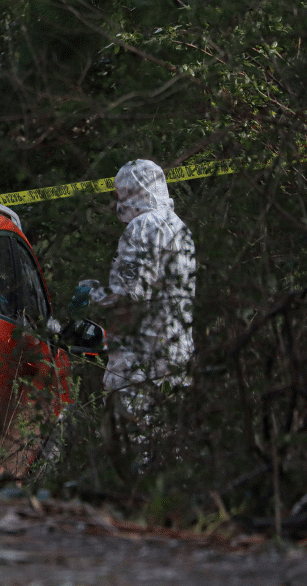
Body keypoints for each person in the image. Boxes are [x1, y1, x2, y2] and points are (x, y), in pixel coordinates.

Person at [72, 159, 196, 418]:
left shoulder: (143, 226)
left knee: (133, 439)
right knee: (165, 437)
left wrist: (91, 291)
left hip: (140, 357)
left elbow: (130, 296)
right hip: (175, 352)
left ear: (130, 190)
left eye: (119, 193)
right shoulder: (179, 227)